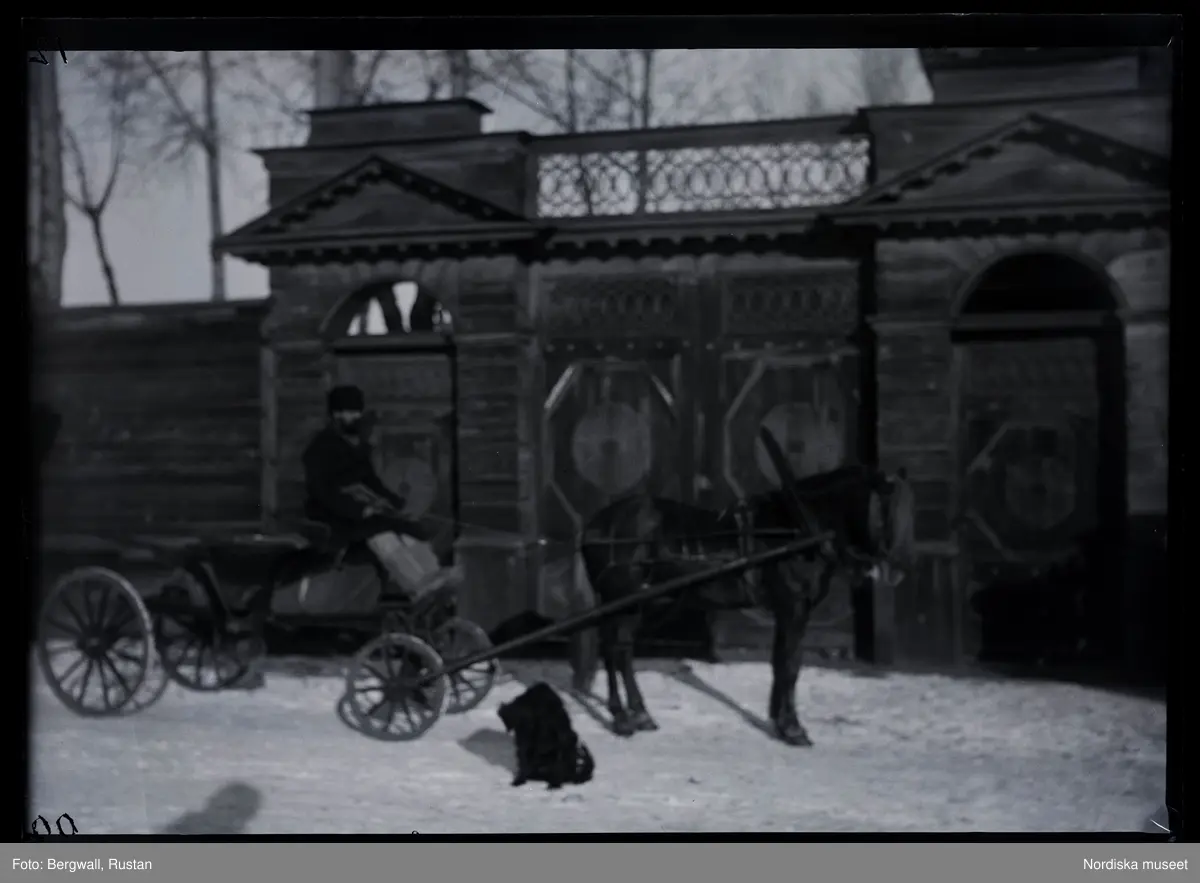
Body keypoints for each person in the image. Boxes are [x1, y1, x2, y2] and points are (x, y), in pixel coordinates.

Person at [300, 384, 460, 613]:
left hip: (361, 512)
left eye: (356, 412)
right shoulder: (319, 449)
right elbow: (322, 493)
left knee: (406, 527)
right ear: (335, 414)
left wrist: (394, 502)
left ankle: (434, 575)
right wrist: (359, 510)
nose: (354, 417)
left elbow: (371, 481)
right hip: (332, 516)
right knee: (381, 534)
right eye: (348, 412)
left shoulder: (357, 447)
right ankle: (417, 586)